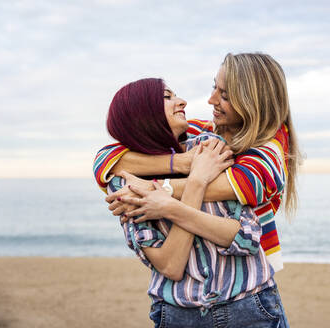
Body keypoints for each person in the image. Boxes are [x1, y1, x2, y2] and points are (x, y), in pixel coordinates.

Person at [102, 77, 290, 327]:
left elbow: (246, 237)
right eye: (167, 97)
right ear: (142, 113)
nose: (182, 101)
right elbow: (170, 265)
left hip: (250, 306)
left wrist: (167, 204)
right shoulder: (123, 181)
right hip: (179, 316)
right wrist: (196, 183)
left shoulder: (208, 147)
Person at [96, 52, 302, 273]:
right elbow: (105, 159)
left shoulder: (270, 147)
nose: (211, 100)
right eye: (215, 88)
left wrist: (154, 189)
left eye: (224, 95)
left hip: (250, 277)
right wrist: (180, 162)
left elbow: (246, 185)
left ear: (252, 101)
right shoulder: (203, 135)